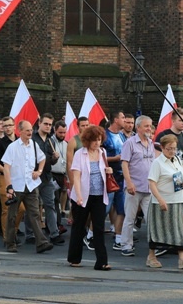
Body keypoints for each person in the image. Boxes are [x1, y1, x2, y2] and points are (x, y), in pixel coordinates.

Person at [2, 120, 53, 254]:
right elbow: (6, 167)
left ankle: (41, 242)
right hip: (17, 185)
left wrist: (39, 171)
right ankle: (10, 242)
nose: (30, 132)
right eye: (27, 130)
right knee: (12, 215)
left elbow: (42, 159)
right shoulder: (13, 147)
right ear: (20, 131)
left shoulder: (34, 145)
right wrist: (9, 186)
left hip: (30, 185)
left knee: (35, 214)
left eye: (31, 130)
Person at [67, 125, 113, 270]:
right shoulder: (80, 154)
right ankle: (74, 258)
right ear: (87, 141)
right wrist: (79, 196)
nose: (97, 143)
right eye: (94, 140)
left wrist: (109, 170)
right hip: (83, 195)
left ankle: (102, 262)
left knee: (99, 228)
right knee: (79, 227)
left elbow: (104, 172)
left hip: (99, 195)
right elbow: (76, 175)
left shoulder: (103, 152)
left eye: (99, 140)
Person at [146, 134, 183, 269]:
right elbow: (152, 183)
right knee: (156, 229)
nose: (172, 151)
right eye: (169, 149)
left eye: (174, 148)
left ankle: (182, 258)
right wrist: (160, 200)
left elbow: (181, 175)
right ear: (162, 148)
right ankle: (151, 256)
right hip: (161, 201)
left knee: (178, 229)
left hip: (177, 200)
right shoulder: (157, 163)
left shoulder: (177, 159)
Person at [120, 115, 155, 257]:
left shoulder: (152, 143)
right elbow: (124, 163)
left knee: (151, 218)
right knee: (130, 218)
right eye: (146, 126)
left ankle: (155, 245)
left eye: (150, 126)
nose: (149, 129)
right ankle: (126, 245)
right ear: (138, 127)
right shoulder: (130, 143)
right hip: (134, 187)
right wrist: (128, 183)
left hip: (148, 187)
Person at [33, 113, 64, 245]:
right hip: (33, 176)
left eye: (50, 124)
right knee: (33, 207)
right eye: (45, 123)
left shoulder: (51, 141)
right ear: (39, 123)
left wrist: (54, 158)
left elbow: (50, 162)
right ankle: (31, 234)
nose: (47, 126)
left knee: (50, 205)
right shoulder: (32, 139)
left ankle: (54, 233)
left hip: (47, 177)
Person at [102, 111, 126, 249]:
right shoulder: (105, 136)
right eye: (123, 118)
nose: (125, 120)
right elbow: (98, 156)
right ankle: (91, 234)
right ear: (116, 120)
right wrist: (114, 159)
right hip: (108, 177)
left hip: (121, 177)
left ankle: (118, 237)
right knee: (105, 208)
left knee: (121, 209)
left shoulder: (122, 136)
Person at [50, 121, 68, 234]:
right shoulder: (50, 142)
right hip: (52, 174)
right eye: (60, 132)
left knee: (59, 200)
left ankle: (54, 223)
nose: (62, 134)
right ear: (55, 130)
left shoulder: (66, 143)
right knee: (54, 200)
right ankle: (57, 224)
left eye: (64, 132)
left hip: (62, 174)